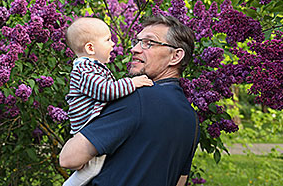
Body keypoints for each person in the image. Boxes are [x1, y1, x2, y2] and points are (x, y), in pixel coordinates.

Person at [60, 15, 199, 186]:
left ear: (175, 56)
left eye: (149, 43)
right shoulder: (191, 118)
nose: (134, 49)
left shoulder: (138, 98)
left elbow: (69, 159)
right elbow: (180, 181)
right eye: (137, 41)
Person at [63, 17, 153, 186]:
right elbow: (106, 91)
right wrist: (132, 83)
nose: (113, 44)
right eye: (107, 40)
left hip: (90, 124)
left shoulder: (91, 67)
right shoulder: (84, 69)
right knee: (93, 168)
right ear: (90, 48)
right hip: (87, 127)